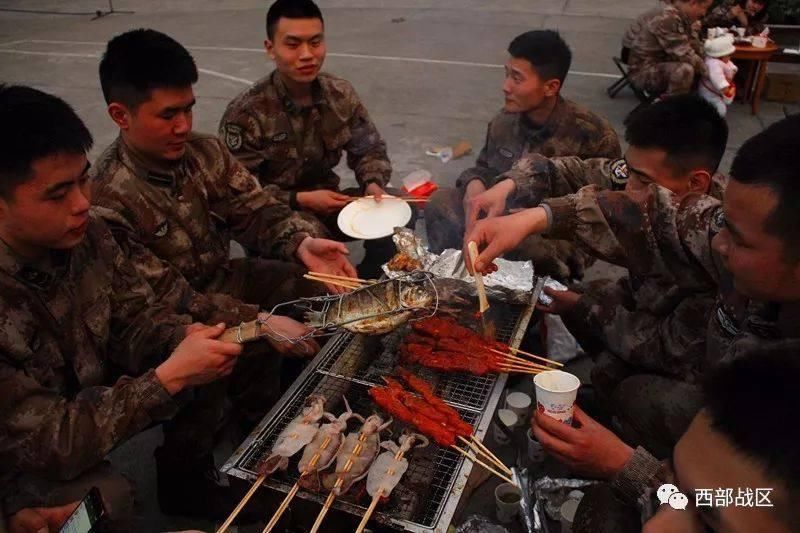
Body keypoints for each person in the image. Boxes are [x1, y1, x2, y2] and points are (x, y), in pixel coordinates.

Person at [466, 115, 800, 531]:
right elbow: (665, 220)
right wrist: (534, 217)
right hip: (703, 436)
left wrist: (626, 465)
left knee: (629, 400)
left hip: (683, 401)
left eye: (740, 240)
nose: (718, 244)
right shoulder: (738, 240)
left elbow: (736, 502)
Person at [0, 85, 278, 528]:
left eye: (82, 179)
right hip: (21, 462)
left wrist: (182, 338)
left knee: (209, 340)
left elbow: (139, 315)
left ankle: (194, 478)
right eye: (57, 194)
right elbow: (48, 442)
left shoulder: (88, 236)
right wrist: (167, 378)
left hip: (84, 396)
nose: (82, 203)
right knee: (104, 503)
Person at [467, 95, 728, 456]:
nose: (627, 188)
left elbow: (664, 347)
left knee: (632, 392)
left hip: (695, 367)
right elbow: (575, 171)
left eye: (641, 180)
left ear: (697, 183)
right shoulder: (643, 176)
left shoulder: (725, 241)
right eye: (629, 171)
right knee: (592, 301)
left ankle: (632, 447)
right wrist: (508, 187)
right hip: (652, 311)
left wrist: (586, 305)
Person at [91, 28, 356, 325]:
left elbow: (255, 209)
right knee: (258, 348)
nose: (182, 126)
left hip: (223, 280)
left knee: (324, 290)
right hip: (174, 324)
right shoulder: (107, 200)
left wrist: (300, 243)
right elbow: (164, 297)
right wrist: (257, 322)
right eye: (168, 116)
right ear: (120, 115)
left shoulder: (205, 151)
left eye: (188, 110)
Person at [219, 0, 407, 278]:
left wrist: (372, 183)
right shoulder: (247, 113)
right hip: (276, 217)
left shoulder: (339, 94)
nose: (307, 55)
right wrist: (300, 199)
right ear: (270, 48)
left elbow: (370, 149)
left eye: (315, 42)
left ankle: (371, 279)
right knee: (311, 239)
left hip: (330, 202)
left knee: (399, 210)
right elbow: (239, 196)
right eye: (293, 44)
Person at [424, 30, 621, 280]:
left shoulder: (592, 134)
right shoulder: (504, 121)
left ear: (551, 87)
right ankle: (453, 280)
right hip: (503, 216)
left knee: (524, 244)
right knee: (440, 201)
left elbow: (609, 210)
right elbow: (484, 166)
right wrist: (475, 185)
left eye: (517, 78)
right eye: (507, 74)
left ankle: (537, 301)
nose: (505, 86)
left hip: (557, 233)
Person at [628, 0, 714, 97]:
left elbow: (694, 47)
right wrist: (711, 72)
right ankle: (671, 108)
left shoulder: (682, 17)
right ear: (693, 3)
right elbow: (685, 54)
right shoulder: (668, 18)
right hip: (642, 72)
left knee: (697, 64)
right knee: (684, 70)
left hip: (661, 64)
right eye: (704, 7)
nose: (704, 13)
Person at [699, 35, 738, 116]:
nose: (730, 57)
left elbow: (730, 65)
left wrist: (734, 69)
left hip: (716, 91)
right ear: (721, 55)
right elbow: (718, 78)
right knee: (721, 110)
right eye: (728, 55)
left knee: (720, 103)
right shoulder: (714, 64)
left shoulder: (723, 60)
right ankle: (709, 117)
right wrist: (724, 87)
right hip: (709, 92)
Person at [704, 0, 770, 35]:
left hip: (744, 51)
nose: (756, 6)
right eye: (754, 1)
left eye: (760, 4)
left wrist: (745, 24)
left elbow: (755, 35)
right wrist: (729, 15)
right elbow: (706, 21)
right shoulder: (730, 4)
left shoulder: (762, 16)